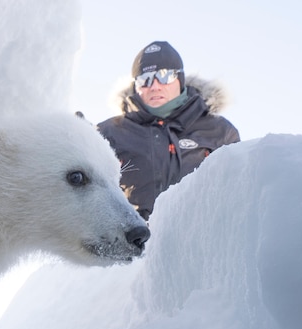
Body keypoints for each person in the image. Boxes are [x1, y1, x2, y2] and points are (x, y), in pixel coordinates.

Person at [97, 41, 240, 221]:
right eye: (145, 79)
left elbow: (238, 192)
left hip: (201, 239)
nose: (155, 86)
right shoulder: (109, 133)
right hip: (135, 242)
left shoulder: (219, 131)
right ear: (135, 86)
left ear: (180, 79)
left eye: (164, 76)